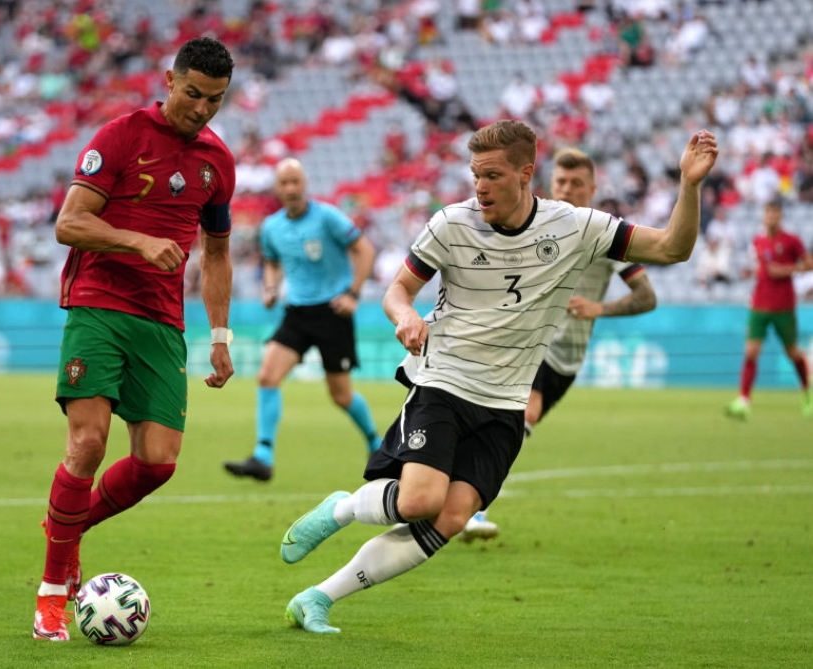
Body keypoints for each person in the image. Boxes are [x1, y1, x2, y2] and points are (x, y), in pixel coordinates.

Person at [278, 120, 719, 634]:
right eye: (474, 175)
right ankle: (345, 507)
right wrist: (405, 315)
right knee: (420, 499)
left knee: (451, 517)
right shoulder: (451, 224)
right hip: (443, 380)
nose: (479, 186)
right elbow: (396, 290)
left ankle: (318, 598)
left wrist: (689, 186)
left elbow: (672, 248)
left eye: (491, 175)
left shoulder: (574, 227)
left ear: (526, 174)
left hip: (506, 400)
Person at [32, 37, 237, 642]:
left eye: (215, 100)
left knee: (157, 463)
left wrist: (219, 334)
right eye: (193, 94)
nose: (201, 109)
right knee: (88, 442)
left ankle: (64, 531)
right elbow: (69, 223)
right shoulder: (119, 136)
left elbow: (218, 254)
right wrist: (139, 242)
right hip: (98, 305)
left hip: (162, 321)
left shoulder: (218, 162)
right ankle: (51, 597)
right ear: (170, 80)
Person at [458, 147, 658, 543]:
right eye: (562, 182)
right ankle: (456, 503)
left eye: (577, 184)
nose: (567, 190)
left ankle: (461, 502)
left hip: (561, 355)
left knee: (510, 421)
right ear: (550, 184)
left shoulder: (605, 233)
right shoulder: (529, 221)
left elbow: (646, 296)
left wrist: (598, 307)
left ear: (593, 188)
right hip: (515, 341)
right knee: (494, 417)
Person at [222, 158, 381, 482]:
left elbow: (365, 250)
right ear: (277, 189)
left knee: (340, 395)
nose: (291, 188)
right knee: (267, 375)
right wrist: (269, 287)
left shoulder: (328, 217)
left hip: (333, 313)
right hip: (297, 312)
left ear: (305, 184)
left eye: (296, 182)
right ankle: (263, 457)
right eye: (285, 183)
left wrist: (352, 293)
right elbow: (271, 262)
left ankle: (377, 445)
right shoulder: (271, 227)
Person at [724, 198, 813, 421]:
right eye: (768, 213)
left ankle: (807, 393)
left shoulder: (792, 241)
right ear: (763, 216)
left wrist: (786, 269)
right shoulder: (758, 241)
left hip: (783, 306)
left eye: (775, 212)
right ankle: (743, 401)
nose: (771, 217)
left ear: (780, 216)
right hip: (759, 305)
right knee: (751, 352)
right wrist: (751, 273)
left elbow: (809, 263)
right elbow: (760, 268)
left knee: (793, 353)